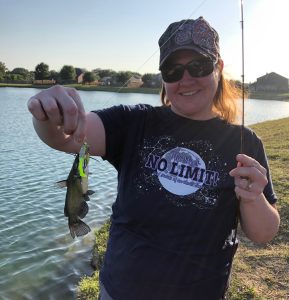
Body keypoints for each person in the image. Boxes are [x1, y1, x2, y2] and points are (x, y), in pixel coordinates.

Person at [27, 16, 280, 300]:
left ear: (218, 68)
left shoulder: (245, 142)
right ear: (163, 76)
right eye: (173, 70)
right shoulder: (134, 122)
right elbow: (69, 137)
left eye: (198, 66)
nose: (185, 79)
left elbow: (263, 234)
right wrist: (47, 113)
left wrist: (253, 198)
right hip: (121, 291)